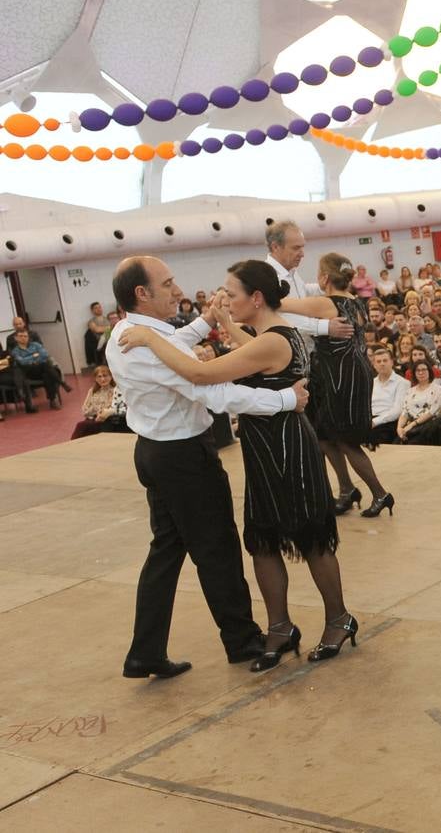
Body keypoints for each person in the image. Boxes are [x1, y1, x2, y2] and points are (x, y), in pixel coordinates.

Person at [117, 259, 356, 674]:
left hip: (284, 447)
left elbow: (201, 373)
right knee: (261, 539)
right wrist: (220, 321)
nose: (223, 296)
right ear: (142, 293)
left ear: (257, 298)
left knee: (308, 535)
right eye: (168, 283)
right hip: (251, 449)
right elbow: (238, 344)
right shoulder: (264, 333)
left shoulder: (268, 339)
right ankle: (278, 628)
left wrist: (157, 339)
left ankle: (336, 620)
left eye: (232, 291)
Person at [302, 254, 393, 519]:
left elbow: (283, 305)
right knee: (324, 437)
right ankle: (346, 489)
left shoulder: (326, 302)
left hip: (343, 376)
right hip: (340, 374)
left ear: (324, 278)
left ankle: (380, 493)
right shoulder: (356, 301)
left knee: (345, 440)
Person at [8, 328, 66, 410]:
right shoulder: (15, 351)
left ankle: (52, 400)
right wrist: (34, 356)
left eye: (25, 336)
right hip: (29, 373)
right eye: (21, 336)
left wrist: (31, 359)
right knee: (48, 369)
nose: (24, 338)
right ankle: (62, 384)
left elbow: (45, 355)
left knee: (47, 370)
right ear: (16, 338)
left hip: (40, 368)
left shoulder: (35, 345)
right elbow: (22, 362)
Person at [70, 364, 127, 439]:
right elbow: (84, 410)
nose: (102, 379)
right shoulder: (92, 391)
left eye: (105, 376)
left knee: (81, 426)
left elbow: (110, 409)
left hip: (107, 420)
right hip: (92, 418)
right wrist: (97, 410)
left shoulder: (115, 391)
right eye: (99, 377)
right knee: (82, 426)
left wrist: (96, 409)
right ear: (95, 379)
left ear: (111, 377)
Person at [395, 361, 441, 442]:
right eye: (418, 370)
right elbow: (404, 412)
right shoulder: (410, 391)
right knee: (395, 444)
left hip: (427, 426)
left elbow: (432, 412)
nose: (421, 372)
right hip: (409, 426)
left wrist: (412, 425)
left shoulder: (437, 389)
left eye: (424, 370)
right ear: (414, 373)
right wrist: (399, 428)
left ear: (429, 372)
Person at [368, 347, 407, 444]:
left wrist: (375, 422)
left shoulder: (402, 383)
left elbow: (397, 411)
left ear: (392, 362)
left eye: (385, 360)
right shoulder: (370, 383)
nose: (382, 364)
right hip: (369, 420)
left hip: (388, 423)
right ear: (374, 365)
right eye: (378, 361)